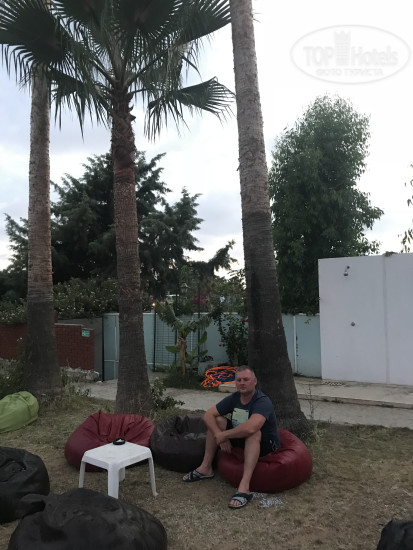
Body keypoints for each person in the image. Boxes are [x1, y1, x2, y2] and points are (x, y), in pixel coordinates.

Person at [183, 365, 280, 509]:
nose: (242, 383)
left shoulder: (262, 401)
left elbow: (251, 427)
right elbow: (208, 415)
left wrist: (223, 435)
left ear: (254, 381)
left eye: (246, 379)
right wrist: (219, 434)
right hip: (240, 438)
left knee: (253, 432)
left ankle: (244, 487)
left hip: (265, 444)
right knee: (217, 421)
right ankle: (205, 468)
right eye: (239, 380)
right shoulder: (234, 398)